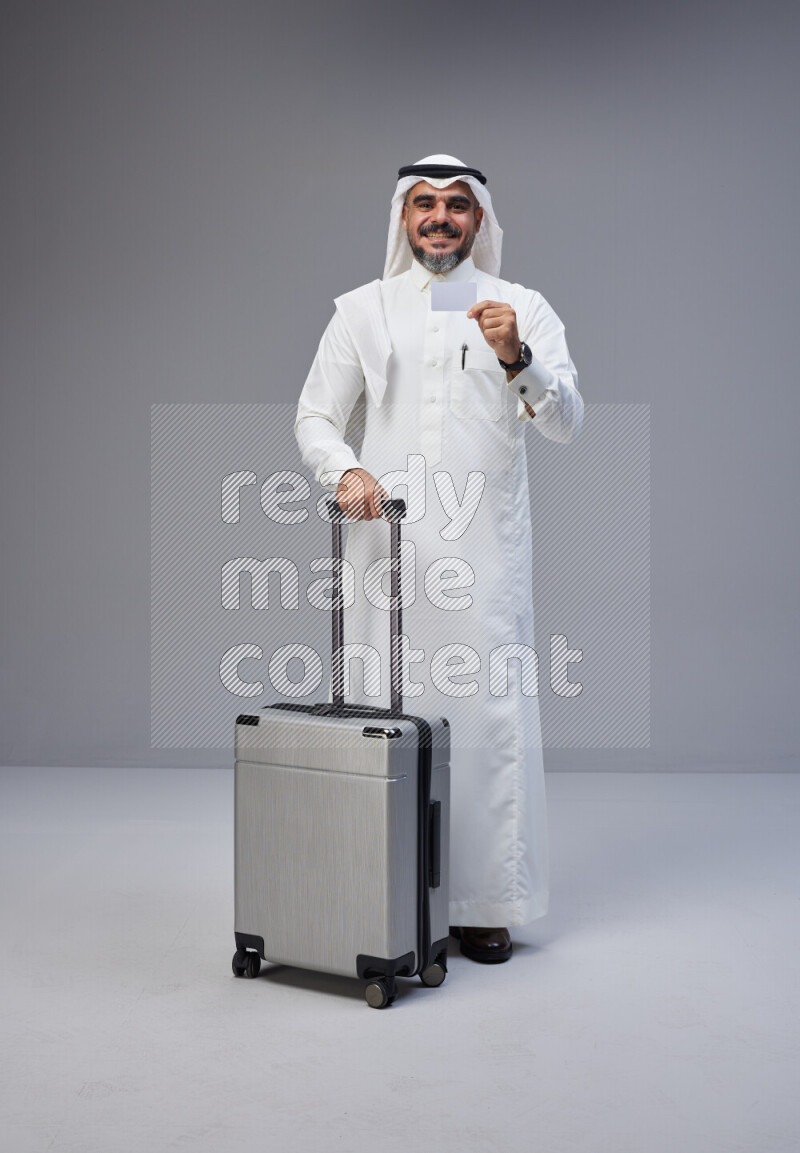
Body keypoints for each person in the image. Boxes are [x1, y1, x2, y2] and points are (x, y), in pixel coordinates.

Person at [295, 154, 583, 963]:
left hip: (483, 557)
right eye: (424, 204)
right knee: (383, 721)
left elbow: (566, 421)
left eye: (458, 205)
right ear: (402, 218)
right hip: (384, 554)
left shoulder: (522, 307)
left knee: (485, 724)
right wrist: (343, 468)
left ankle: (483, 903)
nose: (440, 218)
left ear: (481, 220)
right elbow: (316, 415)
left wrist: (517, 358)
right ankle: (377, 890)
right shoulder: (362, 309)